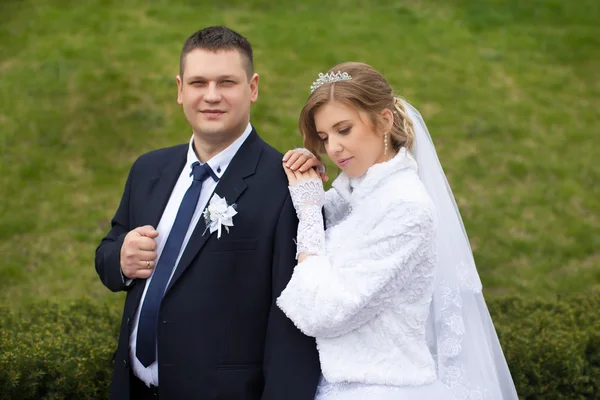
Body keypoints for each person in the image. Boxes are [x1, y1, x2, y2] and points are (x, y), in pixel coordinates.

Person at [95, 26, 321, 400]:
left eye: (227, 82)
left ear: (252, 88)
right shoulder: (148, 170)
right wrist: (119, 258)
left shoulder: (286, 186)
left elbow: (295, 327)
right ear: (181, 89)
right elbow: (107, 253)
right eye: (199, 83)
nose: (211, 96)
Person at [276, 62, 519, 399]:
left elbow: (322, 311)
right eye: (324, 137)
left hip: (381, 388)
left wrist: (309, 213)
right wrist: (308, 181)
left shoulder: (406, 208)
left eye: (343, 130)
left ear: (385, 120)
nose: (332, 148)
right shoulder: (359, 193)